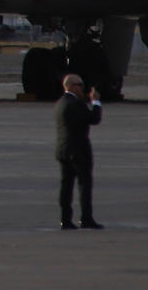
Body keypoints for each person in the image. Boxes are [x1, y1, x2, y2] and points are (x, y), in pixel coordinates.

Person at [55, 72, 104, 229]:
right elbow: (94, 119)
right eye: (80, 85)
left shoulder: (60, 103)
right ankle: (86, 218)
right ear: (70, 86)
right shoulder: (75, 103)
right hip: (79, 150)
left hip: (63, 149)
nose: (82, 88)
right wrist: (95, 101)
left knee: (66, 185)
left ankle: (65, 219)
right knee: (84, 184)